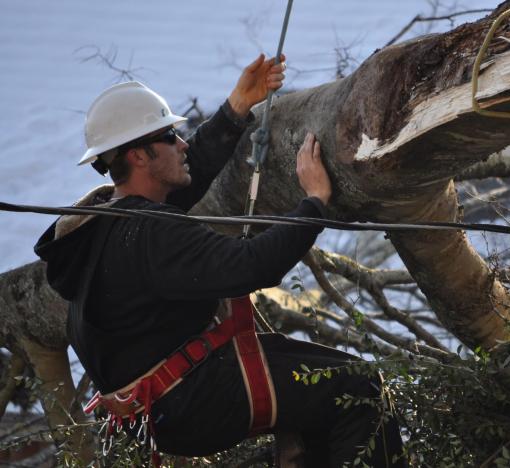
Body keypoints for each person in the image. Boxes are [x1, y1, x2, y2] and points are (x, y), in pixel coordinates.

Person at [34, 54, 405, 467]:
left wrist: (236, 108)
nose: (182, 144)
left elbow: (185, 179)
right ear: (138, 156)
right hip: (194, 395)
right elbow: (251, 266)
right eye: (170, 137)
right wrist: (314, 204)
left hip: (161, 409)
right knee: (361, 388)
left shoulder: (103, 225)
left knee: (318, 404)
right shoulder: (150, 234)